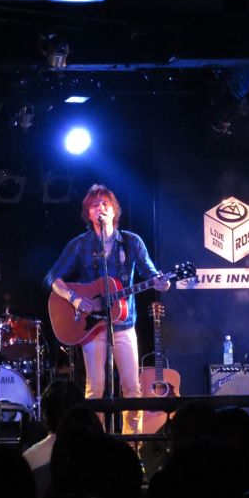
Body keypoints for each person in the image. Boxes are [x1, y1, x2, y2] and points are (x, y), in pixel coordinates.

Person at [44, 183, 170, 434]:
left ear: (114, 210)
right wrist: (74, 298)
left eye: (105, 204)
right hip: (91, 327)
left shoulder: (132, 242)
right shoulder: (80, 244)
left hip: (124, 325)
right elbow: (52, 277)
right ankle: (93, 440)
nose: (100, 208)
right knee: (95, 388)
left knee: (132, 388)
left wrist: (162, 282)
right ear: (88, 214)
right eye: (94, 205)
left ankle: (133, 444)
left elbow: (151, 273)